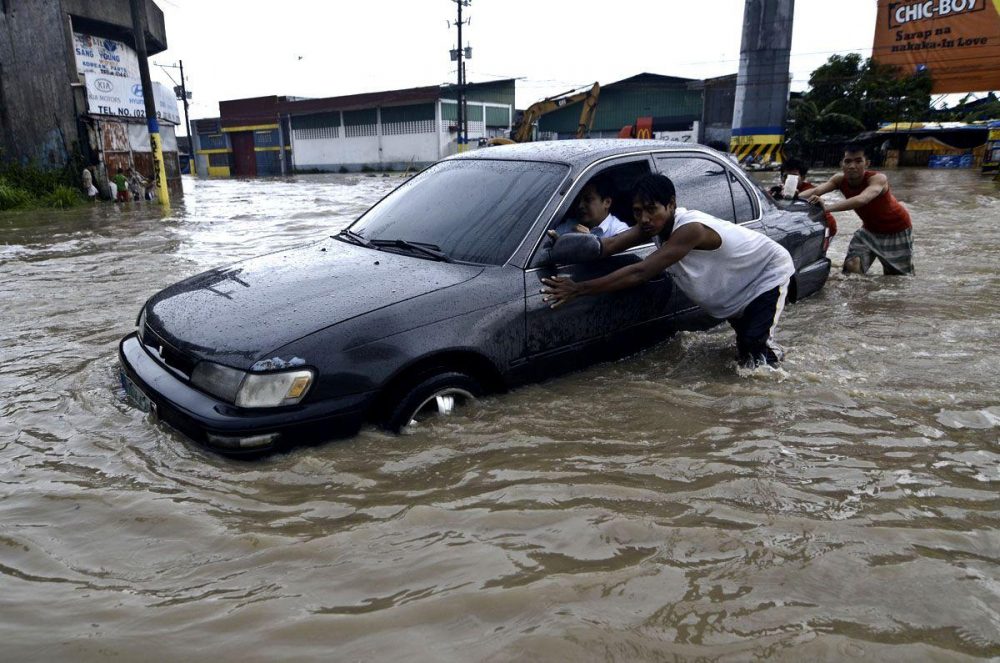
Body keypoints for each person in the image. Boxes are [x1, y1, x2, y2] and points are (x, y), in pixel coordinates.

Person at [541, 173, 795, 369]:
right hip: (737, 286)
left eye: (652, 209)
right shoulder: (651, 227)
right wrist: (562, 243)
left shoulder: (690, 229)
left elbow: (640, 271)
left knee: (756, 354)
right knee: (744, 353)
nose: (644, 219)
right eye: (638, 212)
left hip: (765, 274)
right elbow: (607, 245)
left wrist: (579, 288)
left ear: (671, 205)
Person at [799, 144, 913, 275]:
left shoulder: (878, 179)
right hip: (869, 230)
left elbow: (862, 199)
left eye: (858, 161)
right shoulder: (839, 179)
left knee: (898, 279)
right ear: (841, 164)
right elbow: (816, 190)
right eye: (848, 161)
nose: (852, 166)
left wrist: (826, 208)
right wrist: (787, 196)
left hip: (897, 229)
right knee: (851, 267)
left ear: (867, 164)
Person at [768, 158, 837, 237]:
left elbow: (832, 230)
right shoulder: (775, 191)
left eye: (794, 177)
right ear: (781, 178)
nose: (789, 180)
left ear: (803, 178)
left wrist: (819, 207)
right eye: (785, 176)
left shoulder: (812, 194)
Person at [551, 175, 630, 238]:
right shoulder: (569, 225)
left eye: (588, 200)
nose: (580, 206)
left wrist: (588, 242)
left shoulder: (619, 231)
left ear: (607, 202)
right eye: (578, 200)